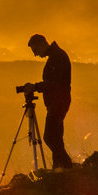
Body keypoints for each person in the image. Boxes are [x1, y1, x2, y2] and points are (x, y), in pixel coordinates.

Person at [25, 33, 73, 169]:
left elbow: (54, 83)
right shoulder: (56, 56)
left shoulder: (57, 57)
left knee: (50, 137)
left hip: (58, 102)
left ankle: (66, 165)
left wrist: (35, 87)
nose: (35, 54)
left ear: (41, 45)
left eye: (35, 50)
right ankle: (59, 168)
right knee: (56, 138)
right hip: (58, 102)